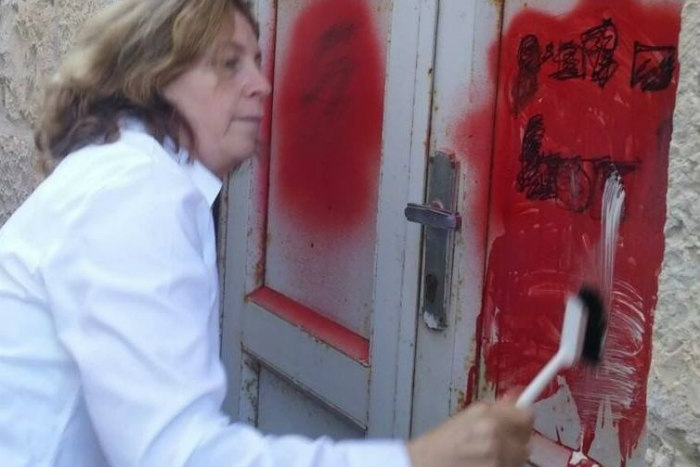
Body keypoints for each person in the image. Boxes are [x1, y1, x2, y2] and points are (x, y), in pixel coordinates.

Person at [0, 1, 534, 466]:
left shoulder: (137, 177)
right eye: (229, 64)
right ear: (155, 76)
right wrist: (420, 459)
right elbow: (179, 456)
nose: (261, 82)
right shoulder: (136, 192)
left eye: (255, 60)